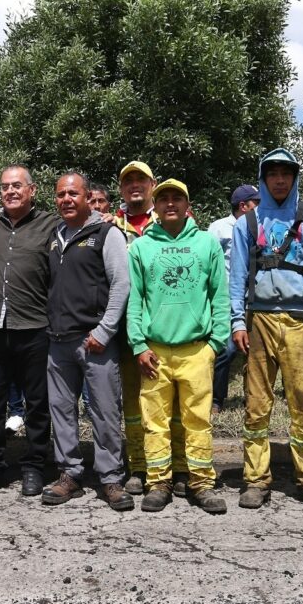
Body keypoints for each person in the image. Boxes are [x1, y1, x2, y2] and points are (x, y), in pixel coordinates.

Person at [228, 148, 303, 511]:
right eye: (272, 173)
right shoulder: (249, 221)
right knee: (257, 403)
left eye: (286, 173)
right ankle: (256, 480)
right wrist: (236, 321)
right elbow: (237, 276)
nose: (279, 179)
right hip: (258, 320)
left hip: (299, 322)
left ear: (294, 177)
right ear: (263, 177)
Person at [127, 178, 229, 514]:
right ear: (155, 206)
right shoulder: (142, 246)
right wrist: (139, 344)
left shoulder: (206, 244)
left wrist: (216, 342)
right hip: (155, 351)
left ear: (188, 205)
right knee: (154, 421)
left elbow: (220, 296)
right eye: (164, 198)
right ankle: (159, 483)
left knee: (197, 420)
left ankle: (201, 483)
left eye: (177, 198)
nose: (170, 203)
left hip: (196, 349)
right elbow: (135, 300)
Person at [42, 172, 133, 511]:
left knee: (105, 411)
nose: (66, 199)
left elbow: (121, 284)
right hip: (58, 340)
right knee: (62, 412)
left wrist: (105, 331)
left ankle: (110, 478)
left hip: (95, 340)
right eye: (61, 194)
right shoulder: (54, 236)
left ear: (87, 197)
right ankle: (70, 474)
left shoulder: (106, 233)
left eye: (73, 194)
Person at [0, 165, 55, 497]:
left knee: (37, 403)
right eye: (5, 187)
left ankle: (34, 465)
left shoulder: (51, 224)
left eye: (17, 186)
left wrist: (106, 220)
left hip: (34, 327)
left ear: (32, 190)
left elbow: (84, 227)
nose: (11, 192)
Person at [112, 161, 190, 497]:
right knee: (133, 402)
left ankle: (180, 468)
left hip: (167, 327)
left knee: (173, 405)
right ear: (121, 189)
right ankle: (140, 466)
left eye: (140, 180)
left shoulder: (173, 221)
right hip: (126, 327)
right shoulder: (109, 225)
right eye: (128, 180)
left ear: (152, 184)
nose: (134, 186)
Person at [207, 184, 259, 413]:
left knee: (258, 353)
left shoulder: (261, 227)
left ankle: (254, 399)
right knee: (225, 350)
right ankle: (216, 400)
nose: (260, 206)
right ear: (243, 205)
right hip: (228, 301)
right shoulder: (218, 228)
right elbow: (207, 264)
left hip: (257, 300)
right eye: (256, 203)